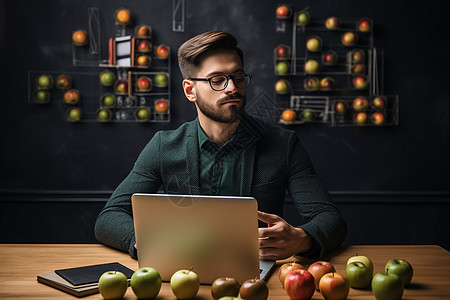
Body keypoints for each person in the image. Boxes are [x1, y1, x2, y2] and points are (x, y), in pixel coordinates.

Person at [94, 31, 346, 260]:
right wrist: (145, 242)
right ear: (190, 90)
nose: (232, 88)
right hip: (182, 271)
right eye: (217, 80)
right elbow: (109, 218)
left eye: (238, 77)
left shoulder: (283, 144)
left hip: (258, 277)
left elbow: (330, 219)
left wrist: (303, 238)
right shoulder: (163, 146)